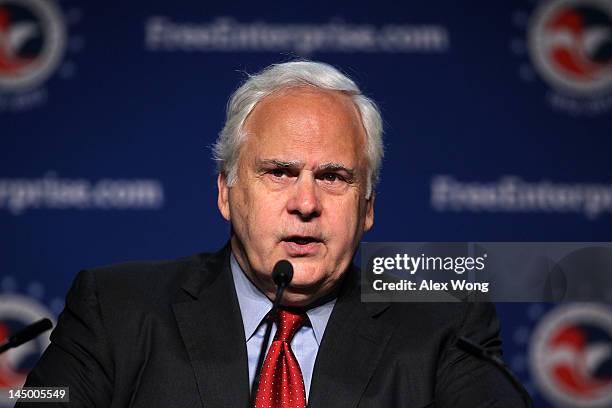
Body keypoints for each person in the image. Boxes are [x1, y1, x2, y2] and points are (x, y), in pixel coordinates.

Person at [18, 60, 525, 407]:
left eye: (333, 177)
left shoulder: (445, 319)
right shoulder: (115, 309)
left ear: (367, 209)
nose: (306, 203)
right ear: (226, 193)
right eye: (279, 172)